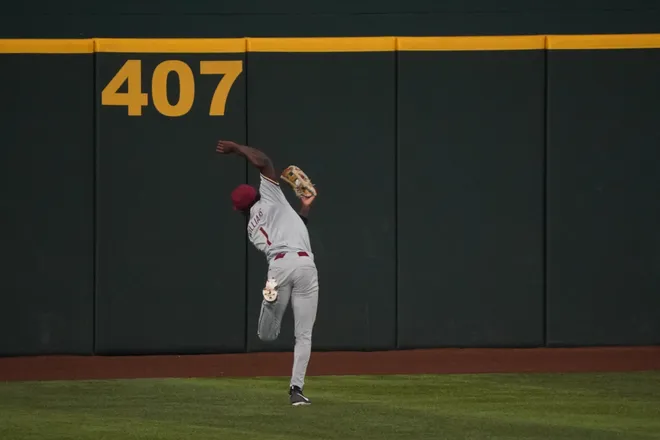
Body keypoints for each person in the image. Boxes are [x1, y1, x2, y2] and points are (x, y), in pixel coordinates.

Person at [216, 140, 319, 406]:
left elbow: (286, 230)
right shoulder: (272, 197)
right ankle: (296, 390)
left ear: (238, 210)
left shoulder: (250, 228)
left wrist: (304, 209)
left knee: (267, 335)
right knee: (303, 335)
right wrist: (239, 149)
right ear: (259, 194)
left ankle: (269, 296)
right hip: (306, 265)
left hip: (278, 267)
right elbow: (264, 160)